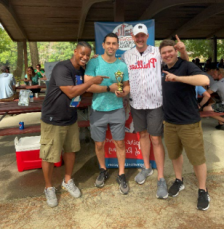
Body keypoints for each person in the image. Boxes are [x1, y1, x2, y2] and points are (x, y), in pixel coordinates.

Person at [121, 23, 189, 199]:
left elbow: (182, 65)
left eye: (143, 35)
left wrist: (182, 51)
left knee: (156, 139)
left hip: (155, 102)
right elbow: (115, 69)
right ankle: (147, 168)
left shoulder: (157, 53)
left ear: (147, 36)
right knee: (142, 135)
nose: (140, 38)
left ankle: (160, 177)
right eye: (137, 36)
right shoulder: (127, 56)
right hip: (136, 103)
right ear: (132, 38)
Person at [40, 41, 107, 208]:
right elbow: (70, 91)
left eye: (87, 55)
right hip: (53, 118)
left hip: (70, 116)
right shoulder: (62, 68)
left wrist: (95, 62)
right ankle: (48, 187)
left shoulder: (82, 70)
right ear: (75, 51)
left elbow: (87, 79)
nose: (84, 57)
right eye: (82, 53)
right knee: (49, 155)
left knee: (71, 150)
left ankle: (67, 180)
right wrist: (92, 82)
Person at [159, 39, 210, 211]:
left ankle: (203, 190)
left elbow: (204, 80)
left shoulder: (186, 65)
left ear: (175, 50)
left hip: (189, 122)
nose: (167, 54)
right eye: (164, 52)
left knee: (197, 158)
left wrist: (178, 78)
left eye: (169, 51)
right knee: (174, 155)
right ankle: (179, 180)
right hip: (170, 122)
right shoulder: (162, 67)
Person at [84, 33, 130, 195]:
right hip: (98, 110)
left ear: (118, 46)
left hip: (117, 109)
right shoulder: (94, 62)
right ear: (103, 45)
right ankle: (103, 170)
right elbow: (88, 86)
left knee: (120, 144)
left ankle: (121, 174)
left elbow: (126, 86)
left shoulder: (122, 66)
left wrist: (123, 93)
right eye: (108, 43)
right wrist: (108, 88)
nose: (111, 46)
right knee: (99, 144)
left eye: (114, 44)